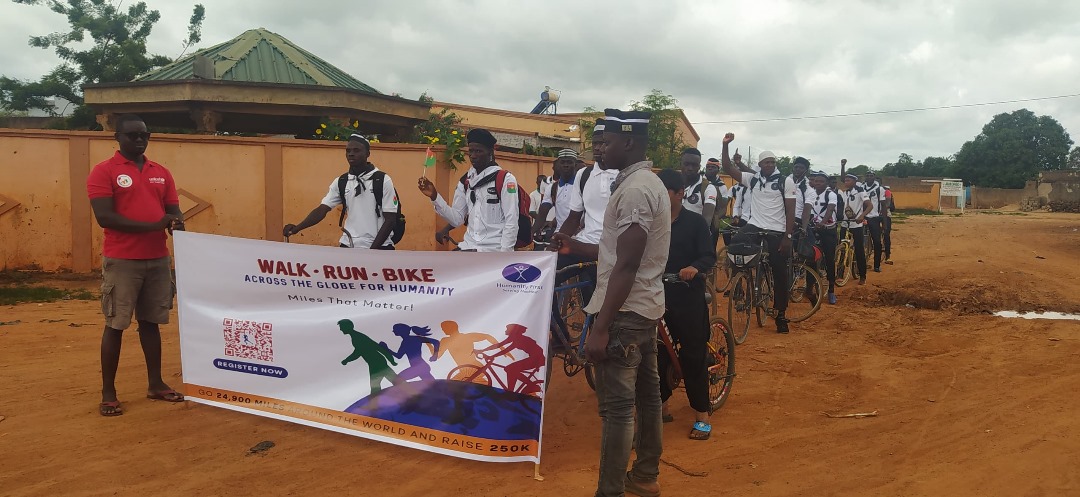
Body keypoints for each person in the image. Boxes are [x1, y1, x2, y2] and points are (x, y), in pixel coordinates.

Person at [562, 109, 668, 497]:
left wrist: (602, 326)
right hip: (644, 306)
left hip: (624, 311)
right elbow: (616, 253)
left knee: (618, 409)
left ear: (629, 142)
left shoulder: (637, 189)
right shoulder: (642, 183)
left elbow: (626, 263)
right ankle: (644, 477)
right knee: (647, 396)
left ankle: (610, 491)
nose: (599, 149)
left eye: (606, 142)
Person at [86, 114, 185, 417]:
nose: (140, 140)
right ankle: (108, 393)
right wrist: (155, 225)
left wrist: (175, 224)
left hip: (157, 259)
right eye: (132, 136)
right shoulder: (103, 172)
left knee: (151, 323)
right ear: (118, 138)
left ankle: (155, 384)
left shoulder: (161, 172)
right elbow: (105, 217)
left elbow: (172, 209)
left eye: (144, 135)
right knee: (116, 324)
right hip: (122, 260)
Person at [655, 169, 716, 441]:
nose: (659, 197)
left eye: (665, 191)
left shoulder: (695, 223)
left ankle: (702, 414)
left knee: (693, 355)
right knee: (657, 354)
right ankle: (662, 406)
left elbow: (708, 255)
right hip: (658, 297)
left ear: (680, 193)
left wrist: (694, 267)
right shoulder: (652, 223)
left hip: (688, 296)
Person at [721, 135, 797, 334]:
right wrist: (725, 145)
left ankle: (781, 314)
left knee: (780, 271)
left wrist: (788, 237)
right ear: (760, 165)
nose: (770, 164)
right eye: (766, 162)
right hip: (754, 225)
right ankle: (740, 285)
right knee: (736, 243)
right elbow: (728, 169)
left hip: (777, 229)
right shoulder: (752, 179)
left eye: (772, 162)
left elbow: (791, 210)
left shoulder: (785, 181)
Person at [283, 134, 399, 249]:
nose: (351, 154)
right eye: (348, 151)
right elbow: (322, 210)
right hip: (348, 245)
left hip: (379, 247)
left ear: (368, 154)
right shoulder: (341, 181)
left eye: (356, 150)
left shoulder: (382, 180)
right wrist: (297, 228)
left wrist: (371, 252)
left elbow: (390, 220)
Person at [417, 129, 521, 252]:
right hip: (468, 248)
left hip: (493, 251)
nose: (473, 155)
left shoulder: (505, 180)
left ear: (490, 152)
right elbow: (457, 219)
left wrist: (503, 258)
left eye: (478, 151)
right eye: (471, 151)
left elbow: (511, 221)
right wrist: (434, 197)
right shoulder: (465, 181)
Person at [551, 119, 617, 307]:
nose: (598, 148)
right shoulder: (584, 175)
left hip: (611, 252)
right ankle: (558, 334)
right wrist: (557, 240)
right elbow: (574, 218)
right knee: (543, 279)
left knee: (598, 306)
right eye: (595, 142)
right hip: (584, 245)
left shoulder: (624, 175)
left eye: (603, 143)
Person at [474, 324, 545, 395]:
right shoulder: (514, 338)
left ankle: (520, 389)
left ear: (513, 331)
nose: (506, 330)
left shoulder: (519, 339)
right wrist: (482, 350)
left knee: (510, 369)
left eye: (507, 329)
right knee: (510, 369)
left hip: (537, 358)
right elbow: (498, 345)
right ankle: (513, 391)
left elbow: (506, 350)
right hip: (536, 357)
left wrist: (492, 356)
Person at [338, 319, 400, 394]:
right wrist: (391, 360)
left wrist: (346, 360)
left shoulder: (357, 337)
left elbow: (358, 352)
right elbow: (377, 347)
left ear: (348, 326)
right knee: (389, 381)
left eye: (342, 327)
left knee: (376, 386)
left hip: (376, 363)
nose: (341, 329)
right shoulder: (356, 336)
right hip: (376, 362)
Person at [531, 149, 578, 238]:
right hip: (559, 235)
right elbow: (542, 213)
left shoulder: (582, 186)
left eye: (569, 162)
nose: (566, 165)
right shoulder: (552, 188)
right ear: (558, 165)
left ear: (575, 164)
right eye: (562, 162)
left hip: (580, 236)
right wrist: (533, 230)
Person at [808, 171, 839, 304]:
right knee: (810, 259)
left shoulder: (830, 194)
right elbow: (807, 209)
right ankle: (810, 288)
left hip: (828, 230)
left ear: (826, 183)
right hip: (814, 230)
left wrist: (823, 222)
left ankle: (831, 289)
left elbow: (830, 209)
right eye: (816, 181)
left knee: (829, 259)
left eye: (821, 181)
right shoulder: (811, 194)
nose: (818, 183)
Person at [839, 174, 873, 285]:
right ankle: (840, 274)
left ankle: (862, 276)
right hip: (845, 224)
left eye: (848, 180)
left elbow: (869, 206)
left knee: (859, 250)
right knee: (842, 249)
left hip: (856, 225)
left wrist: (862, 216)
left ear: (855, 181)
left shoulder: (861, 192)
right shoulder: (844, 193)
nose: (846, 182)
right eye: (845, 180)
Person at [703, 157, 731, 248]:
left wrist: (715, 218)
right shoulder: (699, 181)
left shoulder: (722, 186)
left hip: (713, 222)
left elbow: (723, 207)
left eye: (713, 167)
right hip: (697, 216)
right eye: (708, 167)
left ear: (718, 169)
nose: (710, 168)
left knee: (710, 247)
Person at [862, 172, 886, 272]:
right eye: (867, 175)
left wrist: (884, 222)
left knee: (877, 242)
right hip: (862, 217)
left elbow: (883, 205)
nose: (869, 177)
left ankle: (876, 265)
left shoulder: (879, 189)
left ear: (874, 177)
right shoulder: (861, 187)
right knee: (859, 242)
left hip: (874, 218)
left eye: (871, 176)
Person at [883, 185, 894, 264]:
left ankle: (887, 255)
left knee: (886, 234)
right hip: (873, 216)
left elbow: (887, 204)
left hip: (886, 215)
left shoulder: (887, 192)